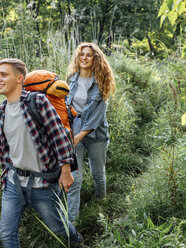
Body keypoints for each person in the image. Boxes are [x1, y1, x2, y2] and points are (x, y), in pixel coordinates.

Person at [0, 58, 83, 247]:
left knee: (60, 228)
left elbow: (59, 136)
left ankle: (78, 243)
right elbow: (4, 149)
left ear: (19, 79)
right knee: (7, 234)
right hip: (14, 183)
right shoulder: (1, 111)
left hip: (43, 184)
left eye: (4, 74)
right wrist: (5, 176)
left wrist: (66, 172)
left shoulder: (38, 102)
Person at [66, 43, 116, 222]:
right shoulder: (71, 78)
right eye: (81, 55)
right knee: (75, 178)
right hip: (74, 127)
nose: (84, 58)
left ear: (95, 58)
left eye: (88, 55)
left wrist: (79, 136)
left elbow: (98, 115)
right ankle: (72, 222)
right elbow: (65, 105)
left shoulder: (102, 80)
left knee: (98, 173)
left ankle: (101, 203)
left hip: (96, 131)